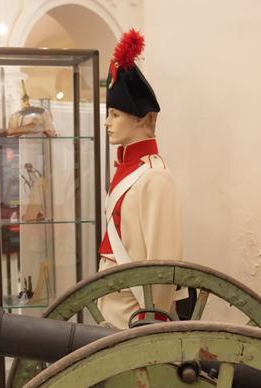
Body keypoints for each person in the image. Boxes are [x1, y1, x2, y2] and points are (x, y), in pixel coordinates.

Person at [96, 29, 183, 328]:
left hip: (135, 317)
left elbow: (162, 264)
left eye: (115, 115)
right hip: (115, 310)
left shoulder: (155, 178)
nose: (107, 123)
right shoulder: (127, 171)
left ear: (141, 119)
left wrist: (152, 325)